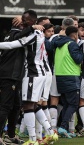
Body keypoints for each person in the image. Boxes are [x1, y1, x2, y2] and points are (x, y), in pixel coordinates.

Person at [0, 10, 58, 145]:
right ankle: (50, 133)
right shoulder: (36, 32)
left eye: (25, 20)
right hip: (39, 72)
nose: (23, 22)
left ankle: (32, 140)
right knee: (33, 105)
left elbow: (13, 44)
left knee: (27, 106)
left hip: (33, 73)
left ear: (32, 21)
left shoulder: (34, 34)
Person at [51, 26, 83, 138]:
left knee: (66, 104)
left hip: (60, 76)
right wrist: (82, 52)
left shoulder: (60, 44)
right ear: (74, 35)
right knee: (73, 104)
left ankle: (62, 128)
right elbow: (78, 59)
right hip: (71, 76)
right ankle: (63, 127)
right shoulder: (72, 44)